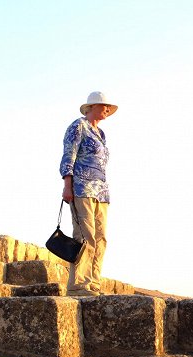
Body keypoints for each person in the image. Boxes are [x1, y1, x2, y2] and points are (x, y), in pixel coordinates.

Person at [59, 91, 117, 296]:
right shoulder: (78, 126)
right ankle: (79, 284)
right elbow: (69, 155)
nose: (107, 110)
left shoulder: (101, 134)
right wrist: (67, 185)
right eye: (103, 106)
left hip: (101, 192)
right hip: (82, 187)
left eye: (108, 107)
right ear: (91, 107)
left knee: (101, 238)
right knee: (86, 235)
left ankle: (93, 282)